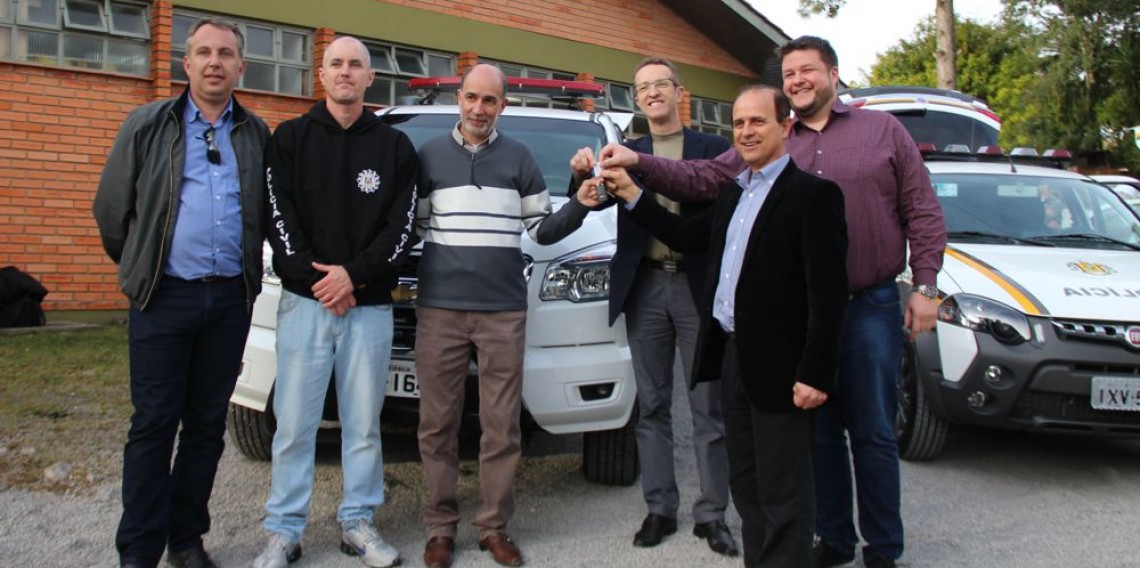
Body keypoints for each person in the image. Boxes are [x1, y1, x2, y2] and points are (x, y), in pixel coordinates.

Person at [594, 35, 946, 568]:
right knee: (814, 441)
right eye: (789, 73)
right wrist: (636, 175)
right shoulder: (743, 181)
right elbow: (697, 189)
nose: (798, 80)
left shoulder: (879, 133)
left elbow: (921, 206)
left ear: (832, 74)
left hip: (866, 305)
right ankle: (833, 540)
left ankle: (882, 550)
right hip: (788, 325)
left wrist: (925, 285)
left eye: (808, 70)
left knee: (871, 433)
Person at [580, 84, 848, 567]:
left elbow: (827, 295)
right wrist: (635, 196)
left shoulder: (814, 197)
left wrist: (815, 373)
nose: (746, 132)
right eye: (738, 123)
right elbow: (686, 235)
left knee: (783, 491)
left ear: (785, 126)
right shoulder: (733, 192)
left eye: (757, 121)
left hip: (783, 367)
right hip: (732, 355)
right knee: (746, 483)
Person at [93, 16, 270, 568]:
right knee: (152, 423)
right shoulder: (148, 124)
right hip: (163, 298)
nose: (215, 62)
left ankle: (187, 539)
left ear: (241, 67)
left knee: (206, 426)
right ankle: (139, 548)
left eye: (225, 54)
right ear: (186, 62)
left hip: (229, 301)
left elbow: (265, 212)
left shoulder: (256, 133)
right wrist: (141, 267)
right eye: (204, 52)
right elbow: (112, 211)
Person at [414, 63, 591, 568]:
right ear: (459, 97)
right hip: (440, 308)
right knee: (436, 424)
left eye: (489, 100)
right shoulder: (429, 157)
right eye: (472, 97)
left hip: (502, 311)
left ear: (502, 106)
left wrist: (579, 203)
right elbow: (416, 226)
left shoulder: (519, 158)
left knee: (501, 426)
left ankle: (493, 527)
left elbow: (541, 230)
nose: (479, 108)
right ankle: (440, 528)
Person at [253, 36, 419, 568]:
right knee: (294, 424)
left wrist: (353, 277)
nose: (346, 72)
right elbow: (278, 218)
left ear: (370, 78)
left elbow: (402, 228)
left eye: (356, 65)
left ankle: (358, 522)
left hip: (368, 307)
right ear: (321, 75)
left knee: (363, 425)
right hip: (305, 305)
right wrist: (321, 282)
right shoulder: (289, 139)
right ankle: (284, 531)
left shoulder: (395, 148)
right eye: (336, 64)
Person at [567, 58, 736, 555]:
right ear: (637, 99)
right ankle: (660, 507)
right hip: (645, 286)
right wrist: (578, 173)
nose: (653, 92)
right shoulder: (626, 151)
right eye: (644, 87)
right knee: (653, 404)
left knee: (708, 408)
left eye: (662, 83)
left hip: (696, 286)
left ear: (679, 93)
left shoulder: (713, 151)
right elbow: (594, 199)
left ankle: (713, 514)